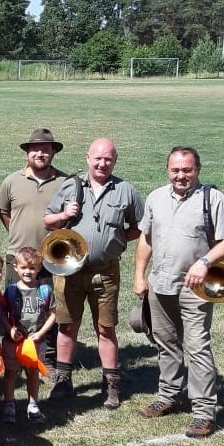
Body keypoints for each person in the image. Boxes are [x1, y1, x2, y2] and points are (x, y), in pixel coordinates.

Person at [133, 147, 224, 438]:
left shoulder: (212, 199)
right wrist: (140, 276)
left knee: (197, 348)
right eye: (175, 170)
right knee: (165, 343)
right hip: (159, 284)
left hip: (194, 289)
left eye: (187, 170)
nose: (181, 176)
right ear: (167, 170)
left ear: (198, 170)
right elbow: (146, 239)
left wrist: (205, 262)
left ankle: (204, 413)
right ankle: (168, 396)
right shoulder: (156, 197)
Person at [44, 138, 145, 409]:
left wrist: (117, 240)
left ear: (115, 161)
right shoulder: (71, 186)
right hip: (69, 270)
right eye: (97, 158)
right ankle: (63, 381)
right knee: (67, 326)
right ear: (87, 158)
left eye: (108, 159)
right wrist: (64, 213)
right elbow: (48, 220)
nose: (102, 163)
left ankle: (110, 384)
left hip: (106, 272)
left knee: (106, 327)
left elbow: (140, 226)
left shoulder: (125, 191)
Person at [0, 129, 68, 281]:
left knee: (48, 302)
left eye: (45, 150)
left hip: (51, 258)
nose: (40, 154)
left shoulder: (65, 182)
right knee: (14, 302)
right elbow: (4, 213)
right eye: (35, 149)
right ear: (27, 153)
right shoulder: (11, 181)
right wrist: (18, 231)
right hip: (18, 255)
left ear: (53, 153)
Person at [0, 248, 56, 424]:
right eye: (23, 267)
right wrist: (9, 329)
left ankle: (33, 404)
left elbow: (53, 314)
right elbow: (2, 313)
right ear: (15, 267)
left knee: (33, 373)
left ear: (39, 268)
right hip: (13, 342)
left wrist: (41, 333)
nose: (27, 271)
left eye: (32, 268)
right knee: (10, 373)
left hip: (35, 342)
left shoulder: (45, 290)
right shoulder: (10, 291)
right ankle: (9, 404)